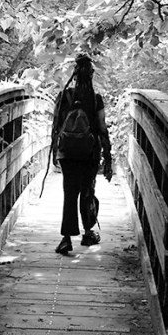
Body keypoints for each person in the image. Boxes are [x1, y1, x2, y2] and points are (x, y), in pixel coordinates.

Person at [52, 54, 113, 256]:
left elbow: (56, 125)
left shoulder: (64, 96)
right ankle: (87, 233)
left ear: (75, 74)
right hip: (89, 153)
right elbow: (102, 127)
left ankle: (66, 239)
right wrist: (108, 154)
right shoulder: (96, 99)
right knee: (87, 191)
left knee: (69, 193)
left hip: (67, 153)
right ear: (92, 75)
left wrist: (55, 151)